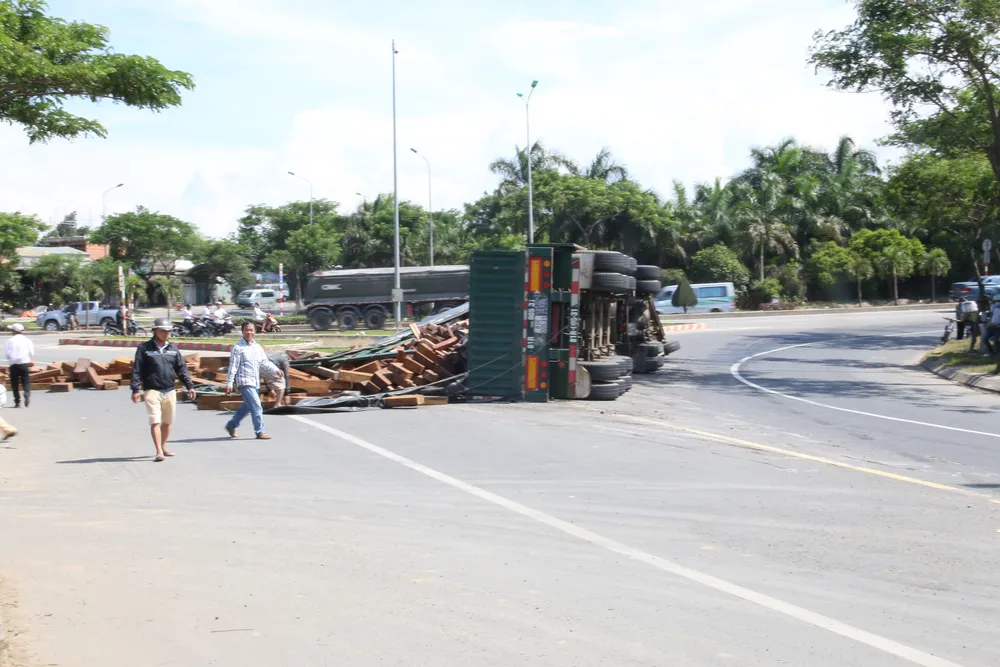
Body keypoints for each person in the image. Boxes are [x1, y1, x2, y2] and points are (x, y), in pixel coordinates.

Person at [130, 318, 197, 462]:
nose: (167, 334)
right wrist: (136, 389)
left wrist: (189, 386)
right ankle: (158, 451)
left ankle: (164, 446)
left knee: (167, 422)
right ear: (154, 331)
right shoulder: (144, 349)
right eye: (163, 331)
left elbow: (181, 369)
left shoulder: (173, 349)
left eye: (169, 331)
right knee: (155, 421)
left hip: (170, 390)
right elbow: (137, 370)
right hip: (152, 390)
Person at [224, 320, 281, 440]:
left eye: (251, 330)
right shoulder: (238, 348)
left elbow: (264, 362)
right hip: (244, 381)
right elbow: (233, 366)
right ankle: (259, 431)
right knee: (256, 405)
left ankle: (231, 425)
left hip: (254, 381)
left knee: (247, 407)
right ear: (242, 331)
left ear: (255, 331)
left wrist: (275, 370)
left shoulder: (257, 347)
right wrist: (229, 383)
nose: (249, 332)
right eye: (246, 330)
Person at [5, 323, 34, 408]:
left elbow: (7, 354)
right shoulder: (27, 340)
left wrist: (12, 358)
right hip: (24, 363)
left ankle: (17, 402)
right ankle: (27, 392)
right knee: (26, 380)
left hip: (13, 364)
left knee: (15, 384)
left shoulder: (10, 340)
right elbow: (32, 353)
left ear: (14, 331)